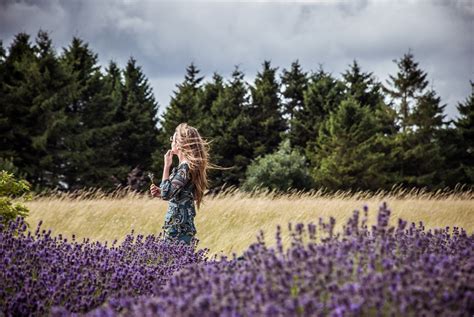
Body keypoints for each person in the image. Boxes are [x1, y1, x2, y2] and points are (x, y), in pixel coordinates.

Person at [150, 123, 213, 246]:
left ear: (179, 144)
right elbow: (178, 194)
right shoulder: (187, 167)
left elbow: (167, 193)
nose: (171, 142)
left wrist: (166, 166)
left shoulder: (184, 168)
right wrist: (160, 193)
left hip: (177, 231)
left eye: (172, 139)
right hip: (181, 228)